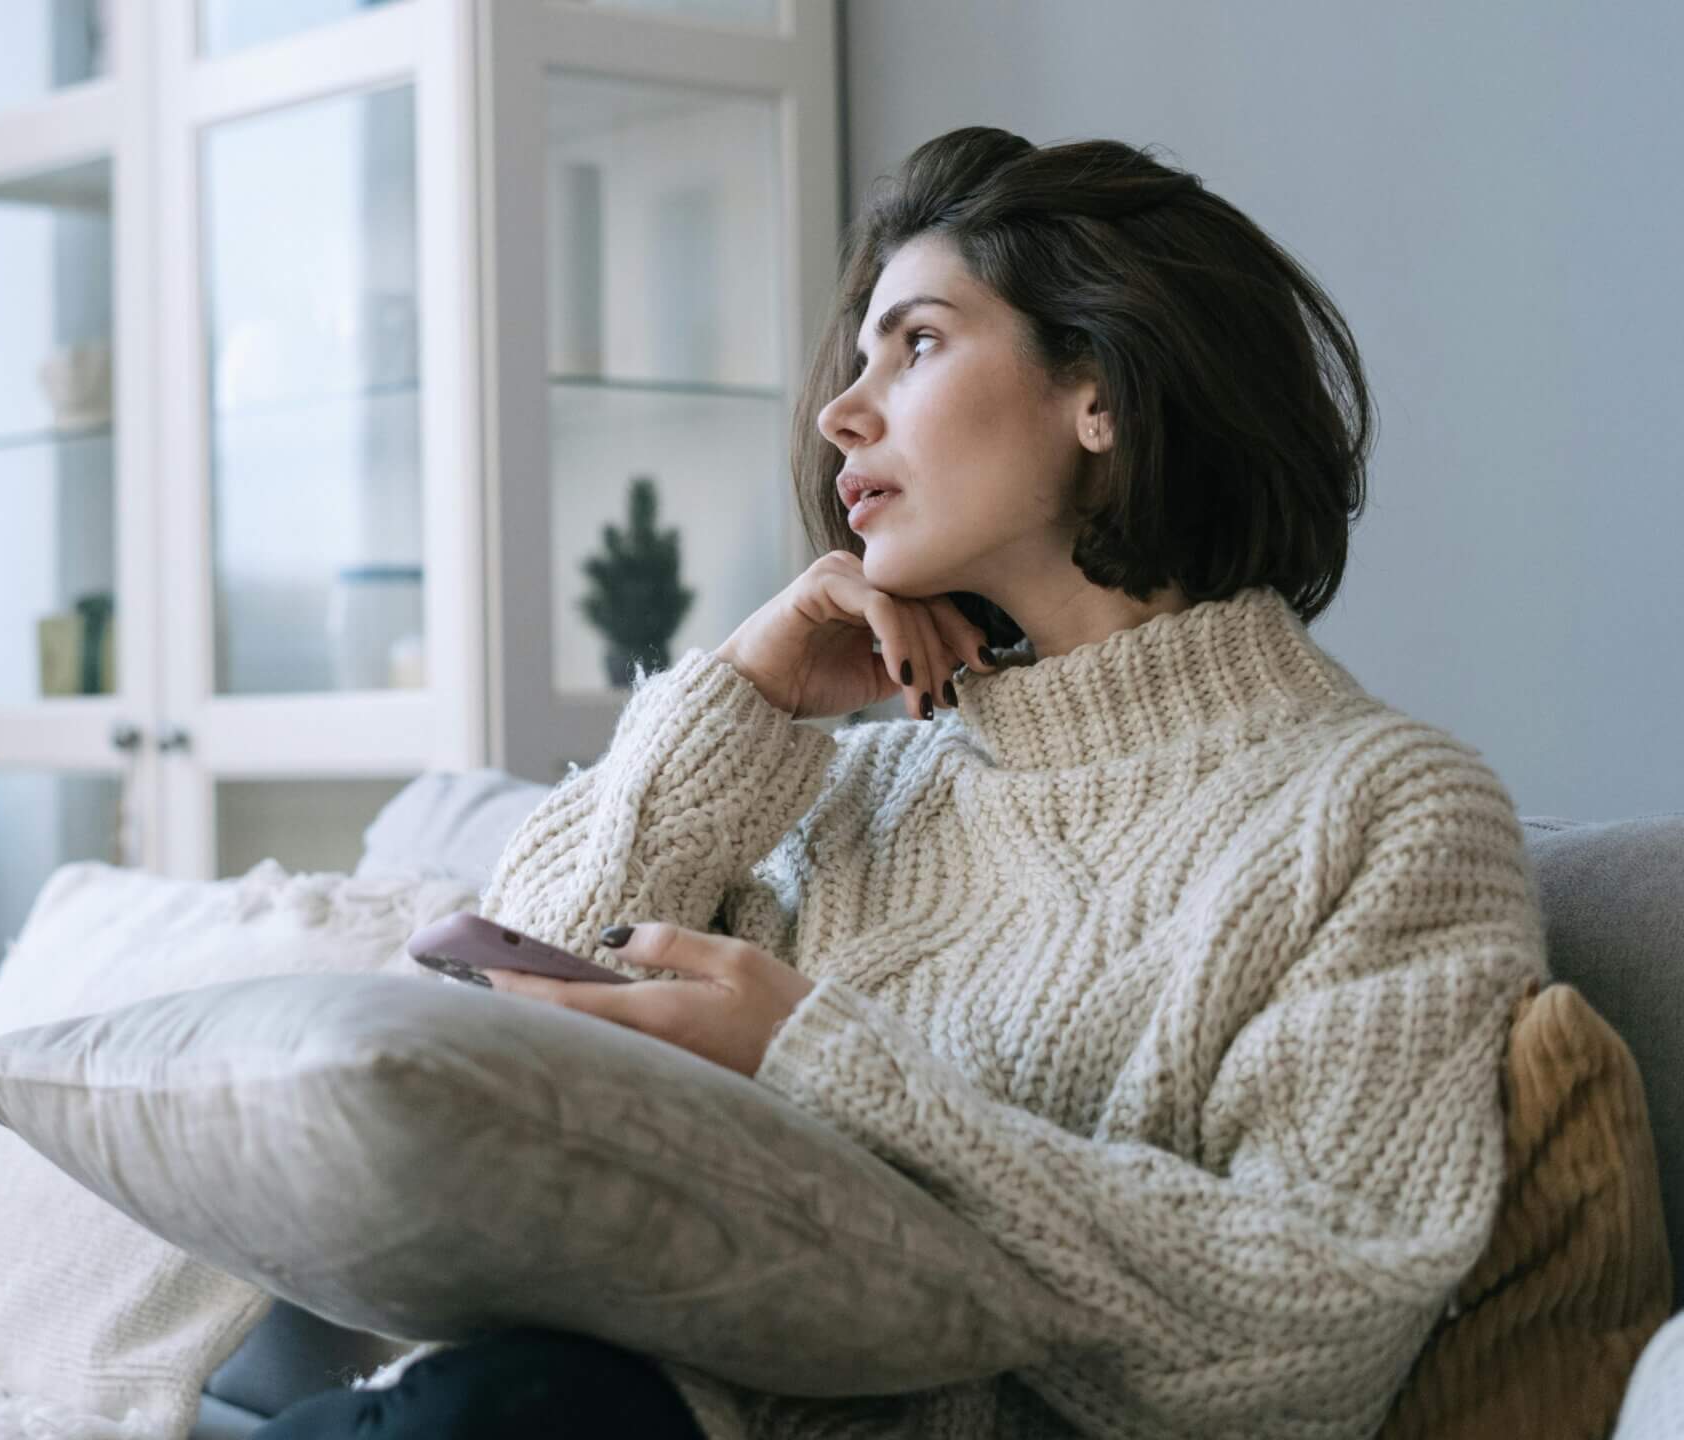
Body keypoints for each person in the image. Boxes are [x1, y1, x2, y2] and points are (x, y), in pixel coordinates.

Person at [254, 125, 1546, 1440]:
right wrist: (740, 700)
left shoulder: (1385, 809)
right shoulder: (855, 783)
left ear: (1098, 391)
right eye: (860, 355)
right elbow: (457, 1037)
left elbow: (1307, 1334)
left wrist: (816, 1060)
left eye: (917, 343)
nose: (840, 410)